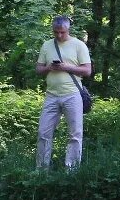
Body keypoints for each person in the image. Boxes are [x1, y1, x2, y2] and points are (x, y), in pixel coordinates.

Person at [35, 15, 92, 169]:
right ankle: (41, 170)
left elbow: (87, 71)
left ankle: (71, 170)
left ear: (68, 30)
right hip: (51, 95)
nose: (59, 35)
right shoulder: (47, 45)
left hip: (72, 95)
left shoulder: (79, 45)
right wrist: (49, 68)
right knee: (43, 132)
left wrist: (66, 67)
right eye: (56, 32)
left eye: (62, 32)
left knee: (75, 134)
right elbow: (39, 69)